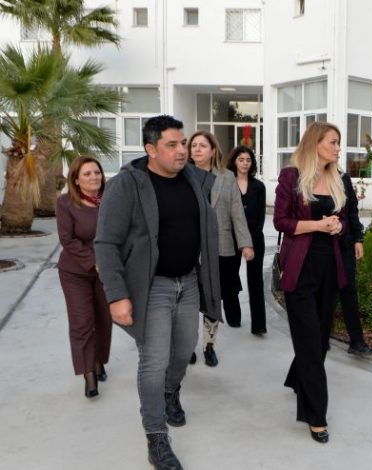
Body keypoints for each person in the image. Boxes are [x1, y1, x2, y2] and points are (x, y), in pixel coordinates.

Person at [95, 115, 221, 470]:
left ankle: (170, 392)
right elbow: (105, 243)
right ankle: (156, 438)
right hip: (151, 288)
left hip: (189, 282)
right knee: (153, 362)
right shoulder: (127, 185)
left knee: (183, 351)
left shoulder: (194, 178)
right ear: (151, 149)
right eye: (172, 145)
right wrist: (117, 295)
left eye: (184, 143)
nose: (182, 150)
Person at [274, 121, 347, 444]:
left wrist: (338, 226)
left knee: (320, 341)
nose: (338, 148)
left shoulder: (338, 178)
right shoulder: (291, 177)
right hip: (300, 269)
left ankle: (296, 378)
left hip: (329, 267)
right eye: (333, 142)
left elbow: (344, 218)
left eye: (338, 143)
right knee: (309, 345)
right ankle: (316, 415)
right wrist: (317, 225)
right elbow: (281, 221)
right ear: (316, 143)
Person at [188, 131, 254, 367]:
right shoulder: (182, 176)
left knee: (213, 298)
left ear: (213, 151)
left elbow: (237, 212)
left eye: (202, 145)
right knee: (188, 300)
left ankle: (209, 345)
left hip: (220, 247)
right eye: (193, 145)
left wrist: (245, 244)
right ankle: (187, 346)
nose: (197, 149)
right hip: (188, 248)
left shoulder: (226, 177)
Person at [56, 156, 112, 399]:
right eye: (87, 174)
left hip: (107, 271)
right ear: (76, 180)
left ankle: (99, 361)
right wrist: (94, 261)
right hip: (75, 273)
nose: (94, 177)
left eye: (97, 172)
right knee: (82, 322)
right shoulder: (65, 202)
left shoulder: (110, 200)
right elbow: (67, 239)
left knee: (104, 320)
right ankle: (89, 373)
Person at [225, 145, 267, 335]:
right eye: (241, 159)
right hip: (230, 238)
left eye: (248, 160)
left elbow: (261, 217)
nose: (245, 163)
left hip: (255, 238)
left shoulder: (259, 186)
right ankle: (233, 317)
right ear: (234, 161)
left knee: (255, 281)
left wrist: (251, 240)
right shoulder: (226, 184)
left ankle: (259, 325)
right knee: (230, 278)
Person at [340, 172, 371, 356]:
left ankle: (356, 341)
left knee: (349, 290)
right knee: (323, 293)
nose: (337, 157)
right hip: (320, 246)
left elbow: (352, 210)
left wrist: (358, 238)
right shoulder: (310, 176)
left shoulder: (343, 178)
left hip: (344, 244)